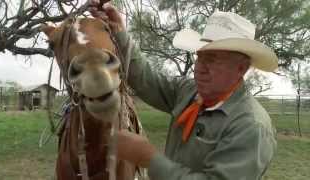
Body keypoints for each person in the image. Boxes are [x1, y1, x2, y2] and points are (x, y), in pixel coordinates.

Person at [89, 2, 278, 180]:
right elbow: (146, 79)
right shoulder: (189, 91)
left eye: (212, 59)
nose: (200, 67)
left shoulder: (251, 127)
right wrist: (119, 30)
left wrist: (149, 159)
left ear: (241, 69)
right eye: (200, 57)